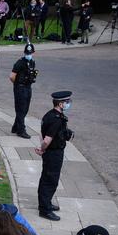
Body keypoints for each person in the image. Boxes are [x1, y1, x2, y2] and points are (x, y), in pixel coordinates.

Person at [35, 91, 74, 221]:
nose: (69, 104)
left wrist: (42, 147)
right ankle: (44, 209)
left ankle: (46, 203)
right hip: (54, 153)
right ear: (61, 104)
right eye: (67, 102)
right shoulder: (56, 120)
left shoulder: (49, 115)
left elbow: (41, 133)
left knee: (47, 178)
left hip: (51, 152)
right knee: (50, 180)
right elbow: (47, 139)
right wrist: (42, 148)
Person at [9, 43, 37, 138]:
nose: (28, 55)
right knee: (21, 109)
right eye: (27, 53)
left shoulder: (32, 62)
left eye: (30, 53)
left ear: (33, 52)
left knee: (25, 109)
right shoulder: (19, 62)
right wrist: (17, 85)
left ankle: (16, 126)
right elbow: (12, 76)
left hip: (28, 87)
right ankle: (21, 130)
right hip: (20, 87)